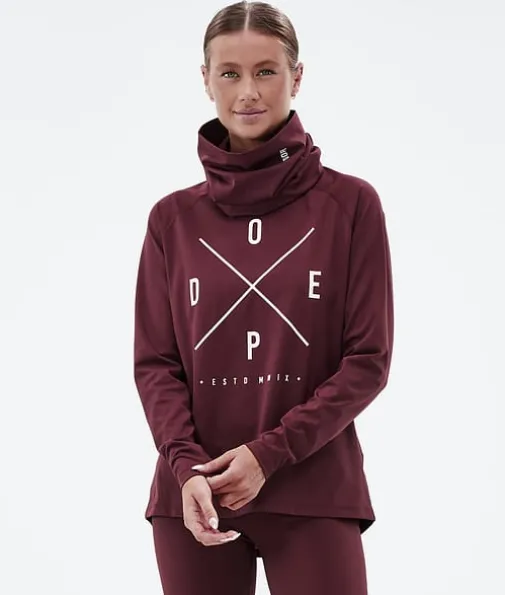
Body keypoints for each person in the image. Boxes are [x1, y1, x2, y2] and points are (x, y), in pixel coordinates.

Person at [133, 1, 394, 593]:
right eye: (230, 73)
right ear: (206, 80)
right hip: (194, 497)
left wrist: (268, 454)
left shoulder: (351, 205)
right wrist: (184, 467)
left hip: (314, 490)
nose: (247, 91)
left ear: (296, 77)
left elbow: (367, 361)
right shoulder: (171, 220)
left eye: (266, 71)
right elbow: (155, 365)